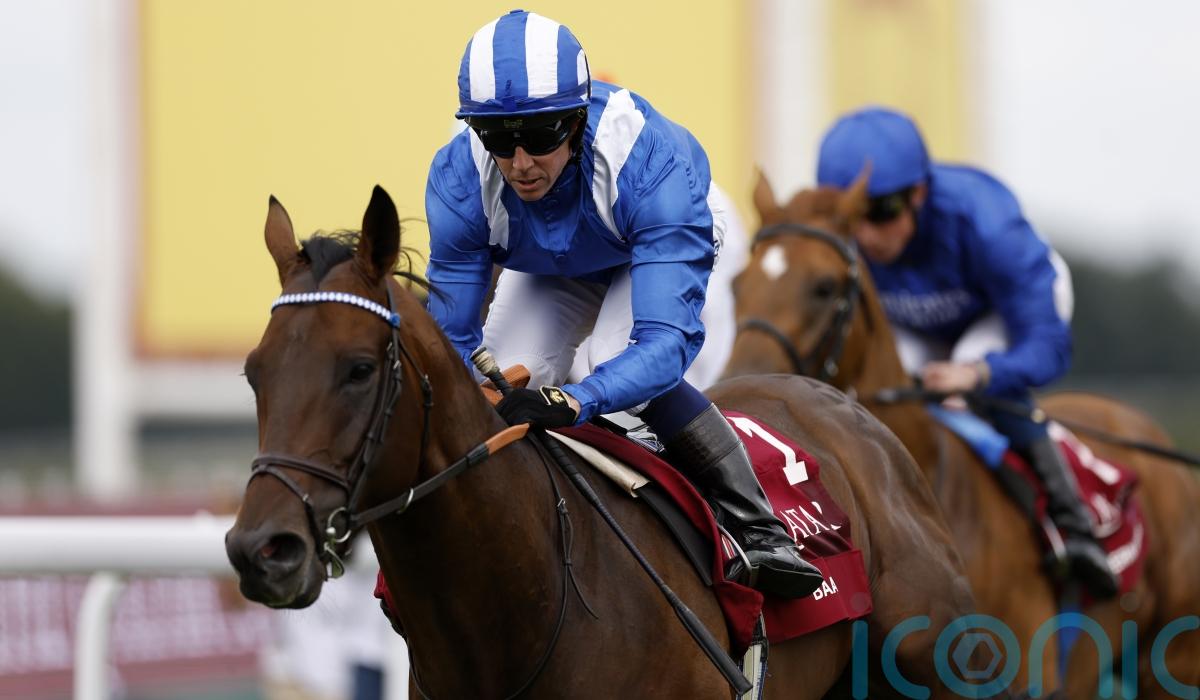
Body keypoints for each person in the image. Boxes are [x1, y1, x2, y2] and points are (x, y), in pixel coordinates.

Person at [424, 9, 822, 599]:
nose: (520, 162)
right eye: (497, 138)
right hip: (558, 262)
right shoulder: (459, 177)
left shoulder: (649, 162)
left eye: (540, 135)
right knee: (498, 383)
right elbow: (451, 341)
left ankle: (759, 527)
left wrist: (576, 400)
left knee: (612, 363)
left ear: (577, 119)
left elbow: (663, 344)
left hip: (654, 236)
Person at [815, 106, 1118, 599]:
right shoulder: (840, 239)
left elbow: (1049, 348)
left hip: (1002, 314)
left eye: (882, 211)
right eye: (853, 217)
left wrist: (979, 375)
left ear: (919, 194)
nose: (866, 236)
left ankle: (1073, 526)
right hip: (917, 325)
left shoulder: (988, 224)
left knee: (973, 386)